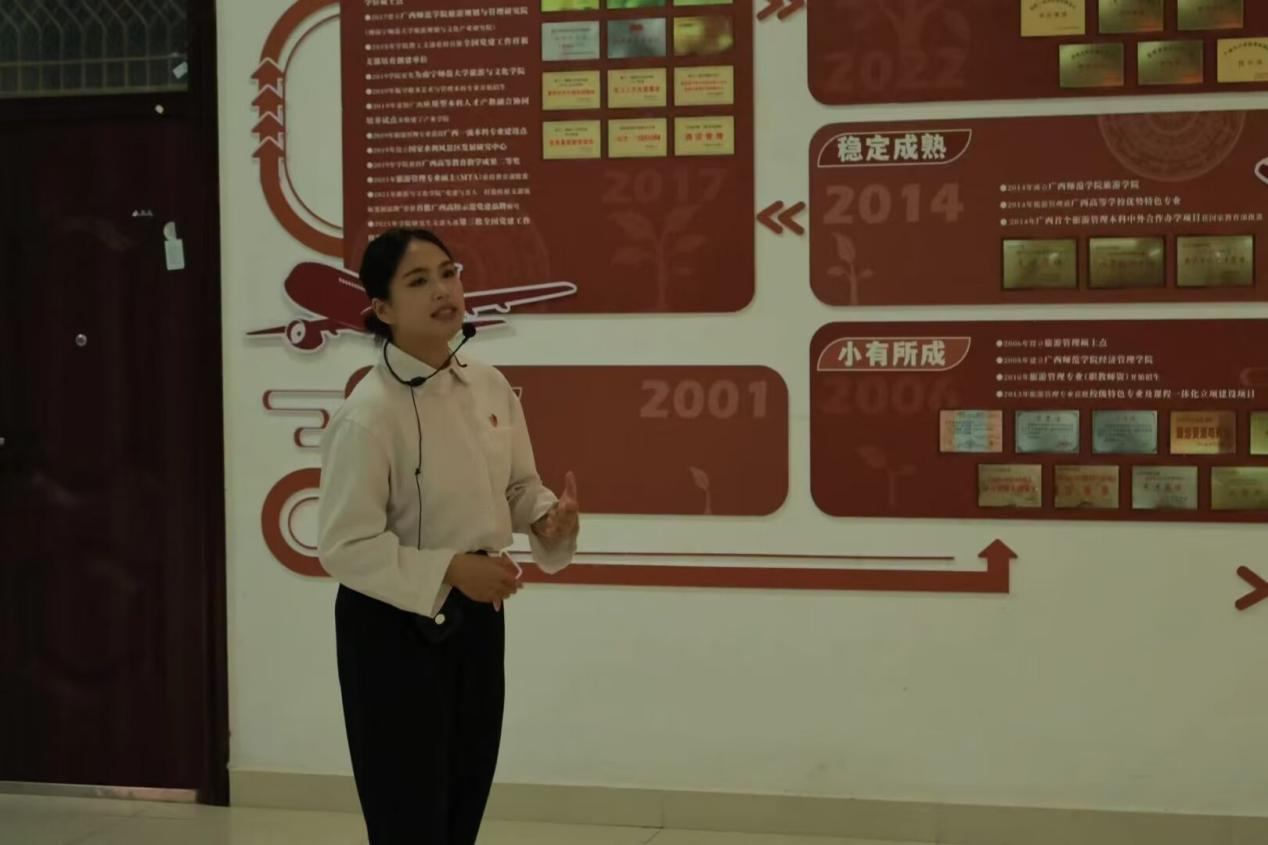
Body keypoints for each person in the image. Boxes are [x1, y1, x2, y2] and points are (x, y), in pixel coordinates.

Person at [317, 228, 580, 844]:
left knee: (464, 798)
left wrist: (546, 517)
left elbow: (516, 486)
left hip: (479, 617)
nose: (443, 290)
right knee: (408, 813)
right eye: (418, 281)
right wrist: (452, 570)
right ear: (382, 309)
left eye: (448, 272)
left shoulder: (488, 385)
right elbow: (345, 546)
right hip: (390, 628)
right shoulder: (367, 412)